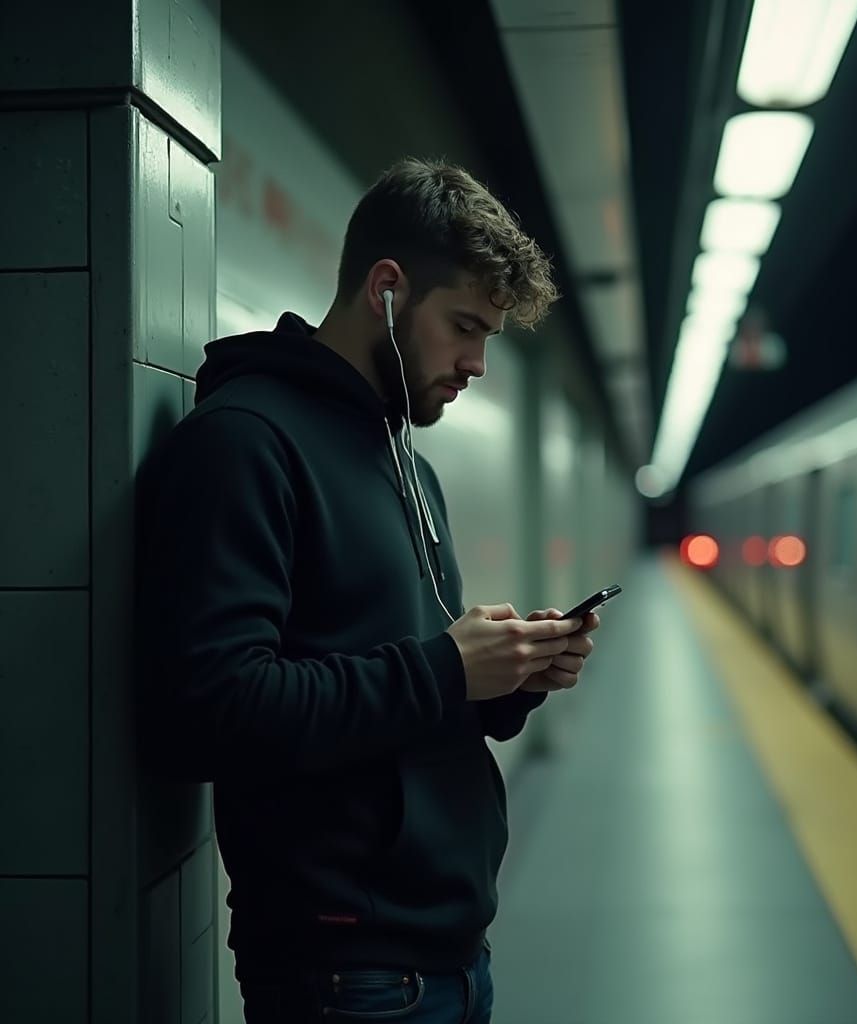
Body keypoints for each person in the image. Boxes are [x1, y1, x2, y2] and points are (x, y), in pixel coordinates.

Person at [134, 157, 602, 1022]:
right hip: (345, 972)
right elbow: (211, 707)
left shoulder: (408, 467)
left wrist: (506, 682)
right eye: (465, 325)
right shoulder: (245, 444)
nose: (477, 363)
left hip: (449, 955)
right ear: (387, 289)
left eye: (490, 336)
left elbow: (400, 682)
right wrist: (444, 671)